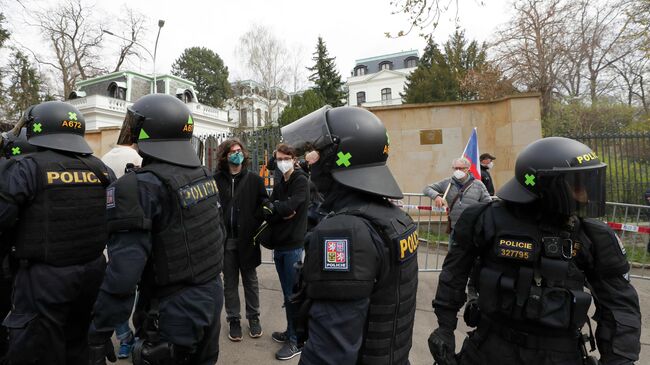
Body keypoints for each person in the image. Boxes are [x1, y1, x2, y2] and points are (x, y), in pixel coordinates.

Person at [428, 137, 642, 365]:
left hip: (560, 356)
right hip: (489, 348)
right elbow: (453, 277)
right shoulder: (484, 219)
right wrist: (445, 328)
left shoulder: (593, 236)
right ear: (544, 185)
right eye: (576, 184)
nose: (585, 195)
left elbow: (619, 307)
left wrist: (619, 360)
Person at [87, 94, 226, 365]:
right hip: (210, 297)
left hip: (173, 310)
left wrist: (98, 331)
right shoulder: (203, 175)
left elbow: (123, 275)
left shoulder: (138, 187)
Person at [281, 106, 418, 365]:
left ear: (337, 158)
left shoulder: (343, 233)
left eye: (317, 153)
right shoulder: (394, 217)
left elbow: (330, 353)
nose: (310, 161)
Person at [0, 101, 114, 365]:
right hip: (91, 273)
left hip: (43, 279)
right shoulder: (100, 168)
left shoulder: (25, 167)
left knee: (37, 349)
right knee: (76, 344)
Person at [214, 138, 268, 342]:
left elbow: (264, 203)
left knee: (251, 281)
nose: (237, 154)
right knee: (229, 283)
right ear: (225, 156)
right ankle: (233, 319)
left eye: (239, 150)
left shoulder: (254, 180)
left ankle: (254, 317)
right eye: (232, 151)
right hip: (226, 241)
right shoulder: (216, 179)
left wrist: (256, 219)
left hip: (247, 239)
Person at [265, 143, 309, 361]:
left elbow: (290, 207)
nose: (281, 162)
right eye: (279, 158)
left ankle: (296, 340)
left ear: (293, 158)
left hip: (293, 245)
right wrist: (279, 210)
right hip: (280, 244)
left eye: (285, 158)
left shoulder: (301, 181)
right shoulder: (281, 180)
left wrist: (280, 209)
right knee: (287, 294)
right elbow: (271, 207)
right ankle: (291, 330)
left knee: (293, 295)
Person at [99, 143, 143, 359]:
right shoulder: (135, 156)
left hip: (112, 238)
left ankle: (124, 337)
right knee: (139, 289)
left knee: (118, 290)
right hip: (137, 236)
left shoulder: (105, 159)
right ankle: (141, 335)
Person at [423, 157, 491, 232]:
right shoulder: (447, 182)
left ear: (468, 168)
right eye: (455, 168)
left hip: (473, 227)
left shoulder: (478, 184)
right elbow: (427, 188)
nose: (458, 171)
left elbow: (487, 202)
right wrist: (436, 196)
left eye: (461, 168)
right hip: (455, 227)